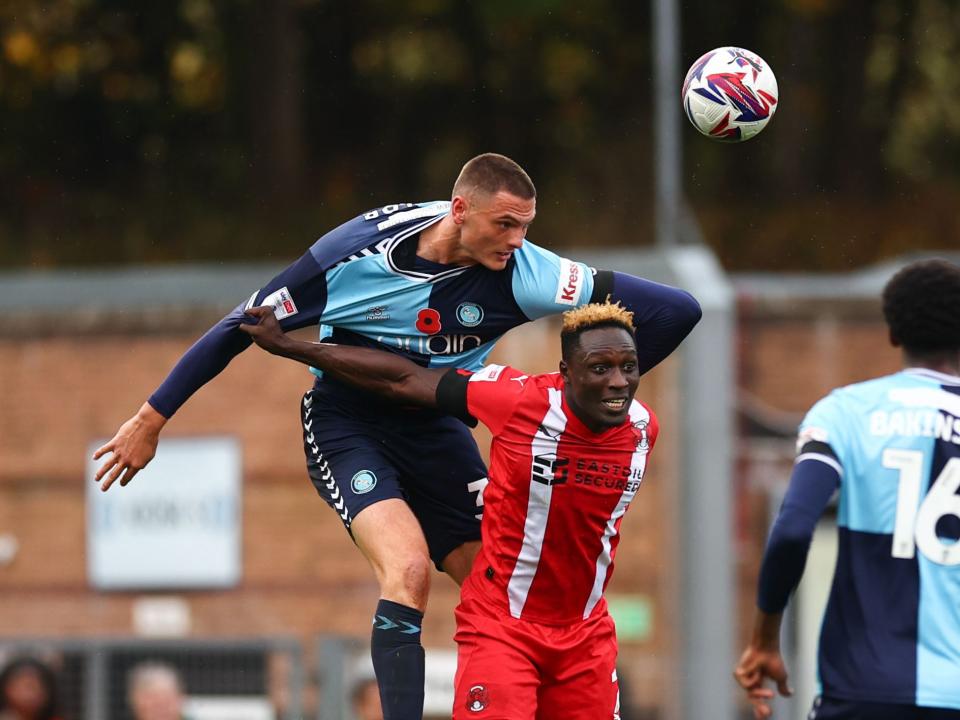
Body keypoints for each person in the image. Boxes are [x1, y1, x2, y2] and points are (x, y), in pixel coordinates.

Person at [93, 152, 701, 718]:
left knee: (493, 580)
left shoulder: (530, 272)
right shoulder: (356, 253)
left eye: (526, 226)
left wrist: (596, 394)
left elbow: (675, 311)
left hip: (434, 420)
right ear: (460, 210)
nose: (518, 241)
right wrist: (150, 420)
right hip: (345, 420)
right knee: (408, 567)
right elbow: (241, 325)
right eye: (505, 225)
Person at [240, 300, 662, 718]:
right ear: (565, 372)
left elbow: (682, 311)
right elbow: (405, 379)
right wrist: (294, 348)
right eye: (599, 367)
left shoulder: (645, 428)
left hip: (585, 635)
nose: (618, 382)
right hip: (504, 627)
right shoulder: (519, 401)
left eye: (628, 366)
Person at [734, 258, 960, 720]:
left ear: (893, 333)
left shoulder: (844, 412)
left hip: (862, 691)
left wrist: (764, 639)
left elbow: (793, 529)